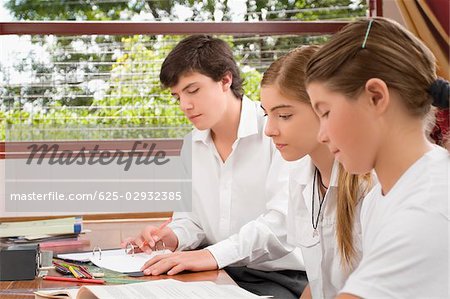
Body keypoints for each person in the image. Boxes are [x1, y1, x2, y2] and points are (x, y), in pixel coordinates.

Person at [122, 35, 307, 299]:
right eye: (177, 97)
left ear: (225, 80)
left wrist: (211, 255)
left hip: (276, 277)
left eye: (193, 90)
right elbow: (192, 220)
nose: (185, 105)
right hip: (213, 271)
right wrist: (169, 237)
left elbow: (280, 225)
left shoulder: (276, 132)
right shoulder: (192, 144)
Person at [305, 17, 449, 298]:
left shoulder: (428, 208)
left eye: (325, 112)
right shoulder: (378, 198)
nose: (321, 135)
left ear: (375, 97)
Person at [259, 46, 372, 299]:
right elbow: (319, 282)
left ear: (324, 108)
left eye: (284, 115)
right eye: (267, 115)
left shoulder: (371, 184)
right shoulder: (299, 177)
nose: (269, 130)